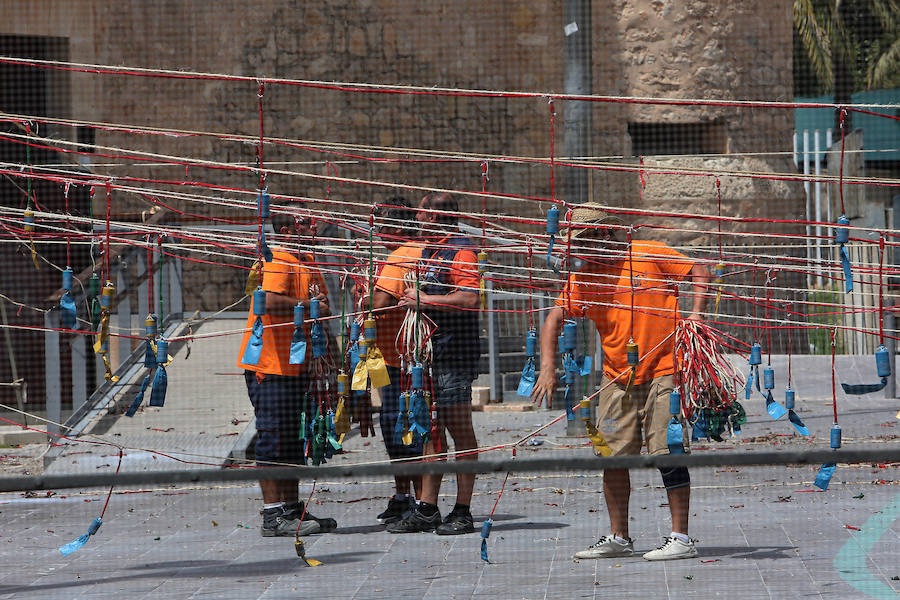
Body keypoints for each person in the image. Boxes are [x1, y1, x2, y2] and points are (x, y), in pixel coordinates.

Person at [531, 203, 710, 561]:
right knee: (610, 455)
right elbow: (554, 317)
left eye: (582, 242)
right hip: (617, 377)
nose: (579, 250)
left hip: (664, 368)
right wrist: (547, 368)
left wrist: (695, 314)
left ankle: (681, 538)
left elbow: (699, 270)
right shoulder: (584, 278)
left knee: (668, 451)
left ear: (602, 234)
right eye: (575, 245)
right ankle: (619, 537)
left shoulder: (648, 253)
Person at [237, 211, 339, 537]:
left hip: (298, 365)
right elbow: (266, 300)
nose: (315, 226)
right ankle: (272, 515)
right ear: (286, 229)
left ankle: (293, 510)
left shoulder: (308, 260)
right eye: (307, 222)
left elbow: (323, 307)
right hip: (271, 365)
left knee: (295, 439)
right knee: (272, 437)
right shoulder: (278, 257)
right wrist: (310, 306)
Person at [387, 192, 481, 535]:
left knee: (459, 431)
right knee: (430, 429)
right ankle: (427, 507)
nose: (418, 215)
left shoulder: (462, 251)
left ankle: (463, 510)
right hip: (429, 355)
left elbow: (470, 298)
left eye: (424, 210)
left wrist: (425, 299)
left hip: (454, 355)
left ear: (438, 216)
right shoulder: (430, 250)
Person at [368, 198, 425, 524]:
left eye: (383, 227)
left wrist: (362, 297)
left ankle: (416, 501)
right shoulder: (424, 250)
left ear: (399, 227)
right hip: (401, 355)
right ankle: (404, 496)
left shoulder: (400, 255)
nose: (378, 233)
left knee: (400, 428)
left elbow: (380, 302)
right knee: (402, 427)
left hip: (401, 360)